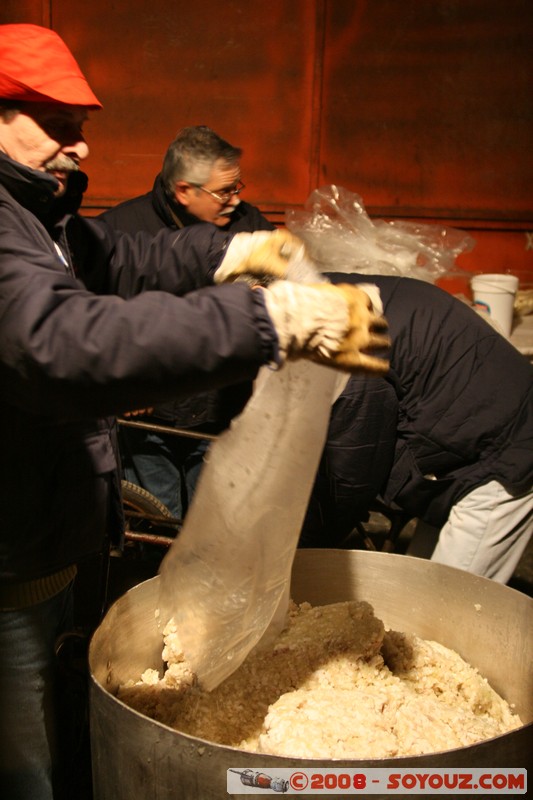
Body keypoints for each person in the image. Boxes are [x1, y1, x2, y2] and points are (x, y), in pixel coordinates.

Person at [0, 24, 389, 800]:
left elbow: (115, 257)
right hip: (8, 557)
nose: (80, 147)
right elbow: (62, 344)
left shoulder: (36, 215)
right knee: (23, 760)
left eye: (83, 126)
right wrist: (268, 324)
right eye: (59, 124)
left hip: (42, 534)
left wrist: (227, 251)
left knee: (49, 705)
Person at [300, 272, 533, 584]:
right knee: (414, 589)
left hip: (502, 451)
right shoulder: (303, 293)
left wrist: (303, 550)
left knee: (446, 607)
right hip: (459, 439)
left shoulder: (332, 342)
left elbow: (350, 479)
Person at [100, 126, 276, 517]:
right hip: (149, 416)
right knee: (160, 521)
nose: (237, 199)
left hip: (223, 409)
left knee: (212, 523)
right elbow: (96, 318)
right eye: (225, 191)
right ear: (183, 190)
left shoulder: (250, 225)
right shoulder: (119, 230)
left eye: (238, 186)